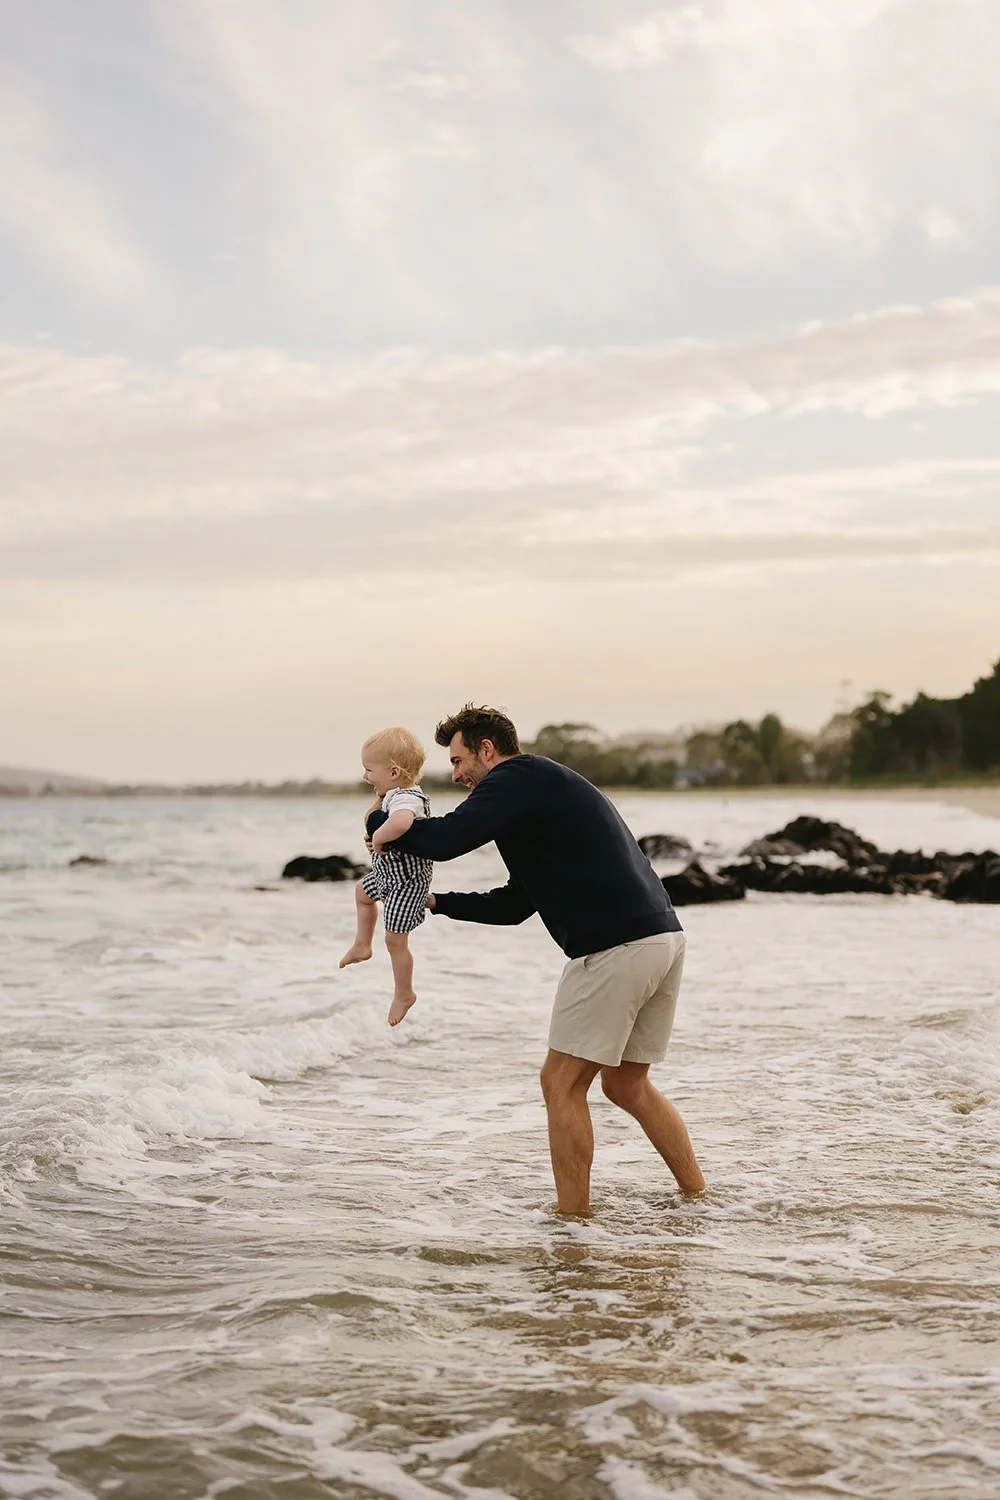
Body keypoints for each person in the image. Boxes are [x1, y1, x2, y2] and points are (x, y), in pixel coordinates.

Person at [372, 704, 705, 1214]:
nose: (456, 774)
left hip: (615, 946)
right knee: (626, 1084)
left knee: (560, 1082)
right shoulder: (534, 793)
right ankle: (698, 1196)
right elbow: (513, 906)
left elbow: (444, 840)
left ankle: (572, 1222)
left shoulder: (515, 778)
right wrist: (435, 903)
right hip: (660, 938)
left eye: (460, 760)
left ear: (488, 750)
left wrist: (379, 819)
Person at [339, 727, 433, 1027]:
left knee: (395, 940)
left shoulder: (408, 799)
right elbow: (378, 821)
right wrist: (374, 833)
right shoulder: (391, 795)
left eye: (369, 769)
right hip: (386, 874)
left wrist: (379, 838)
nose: (365, 776)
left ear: (393, 771)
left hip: (407, 881)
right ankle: (362, 945)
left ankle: (404, 993)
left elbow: (402, 823)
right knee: (362, 893)